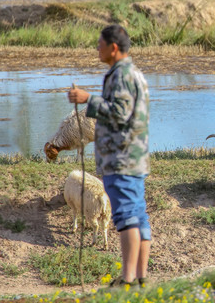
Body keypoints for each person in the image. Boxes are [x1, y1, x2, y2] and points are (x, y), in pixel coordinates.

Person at [68, 24, 151, 287]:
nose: (97, 48)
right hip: (132, 158)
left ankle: (127, 280)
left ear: (113, 48)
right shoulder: (132, 73)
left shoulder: (122, 75)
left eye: (100, 44)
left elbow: (121, 112)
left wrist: (87, 99)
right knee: (138, 215)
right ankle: (140, 278)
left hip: (120, 159)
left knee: (126, 216)